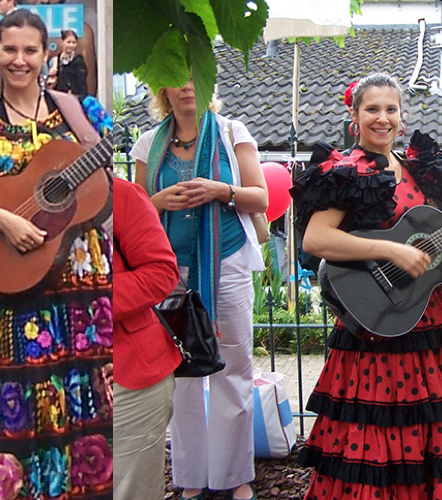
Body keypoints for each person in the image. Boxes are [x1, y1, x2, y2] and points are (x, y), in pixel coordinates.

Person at [290, 73, 442, 499]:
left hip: (426, 309)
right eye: (372, 109)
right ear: (354, 115)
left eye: (391, 109)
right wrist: (391, 251)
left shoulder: (417, 166)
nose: (383, 119)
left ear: (402, 116)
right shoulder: (344, 171)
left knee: (432, 416)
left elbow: (436, 235)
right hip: (376, 314)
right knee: (380, 421)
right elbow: (316, 239)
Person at [0, 9, 113, 499]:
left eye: (30, 50)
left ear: (47, 55)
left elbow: (105, 185)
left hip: (80, 283)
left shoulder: (80, 113)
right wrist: (6, 220)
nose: (20, 60)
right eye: (10, 50)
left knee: (85, 401)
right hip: (12, 282)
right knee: (15, 403)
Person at [129, 74, 268, 500]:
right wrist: (159, 201)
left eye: (194, 78)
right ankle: (191, 476)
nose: (187, 86)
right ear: (163, 91)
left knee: (234, 368)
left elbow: (260, 197)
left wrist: (219, 190)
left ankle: (234, 476)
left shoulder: (231, 132)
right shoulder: (147, 144)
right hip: (169, 272)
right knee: (182, 374)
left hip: (225, 263)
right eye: (175, 80)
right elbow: (135, 210)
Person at [112, 177, 180, 499]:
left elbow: (161, 272)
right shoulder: (12, 202)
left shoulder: (120, 195)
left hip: (127, 377)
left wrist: (85, 302)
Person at [53, 30, 87, 95]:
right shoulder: (55, 59)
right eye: (68, 42)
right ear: (62, 42)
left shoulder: (78, 60)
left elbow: (81, 82)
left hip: (73, 97)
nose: (71, 45)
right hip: (58, 96)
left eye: (74, 43)